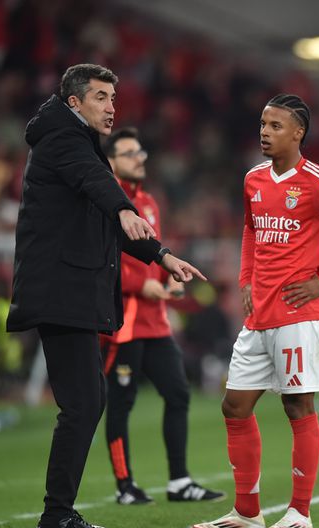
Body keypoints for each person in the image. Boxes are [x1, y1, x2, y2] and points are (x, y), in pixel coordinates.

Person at [7, 64, 206, 528]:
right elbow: (97, 183)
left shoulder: (74, 140)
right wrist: (122, 206)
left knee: (86, 401)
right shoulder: (63, 140)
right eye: (100, 97)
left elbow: (107, 210)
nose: (111, 107)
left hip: (69, 291)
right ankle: (55, 519)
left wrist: (162, 256)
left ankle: (59, 516)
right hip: (61, 291)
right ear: (74, 102)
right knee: (84, 403)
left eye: (113, 97)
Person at [192, 94, 319, 528]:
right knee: (234, 405)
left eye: (276, 126)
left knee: (297, 406)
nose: (265, 132)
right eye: (263, 124)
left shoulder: (318, 182)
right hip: (259, 314)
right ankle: (247, 512)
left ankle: (300, 512)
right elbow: (249, 228)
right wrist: (245, 279)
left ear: (298, 133)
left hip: (300, 313)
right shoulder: (253, 179)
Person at [100, 127, 223, 504]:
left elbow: (150, 251)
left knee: (178, 392)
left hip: (155, 321)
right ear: (110, 162)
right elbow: (103, 259)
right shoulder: (104, 201)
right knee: (121, 402)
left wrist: (167, 277)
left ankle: (179, 482)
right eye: (129, 153)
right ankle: (125, 486)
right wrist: (141, 286)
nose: (139, 158)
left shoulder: (149, 201)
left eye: (141, 152)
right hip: (124, 323)